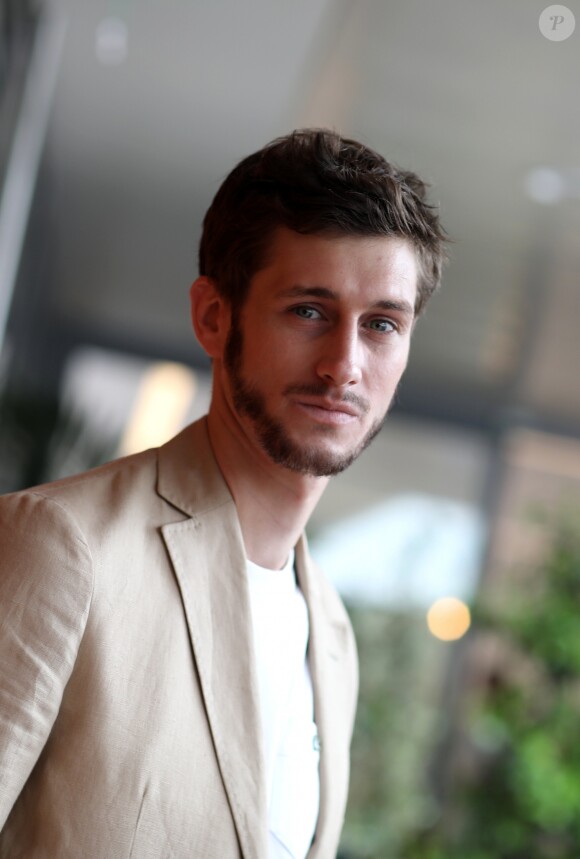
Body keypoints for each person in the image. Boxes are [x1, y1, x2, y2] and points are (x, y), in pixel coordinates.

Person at [0, 128, 446, 858]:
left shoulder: (330, 628)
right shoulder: (60, 545)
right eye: (309, 309)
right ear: (214, 316)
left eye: (382, 325)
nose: (345, 365)